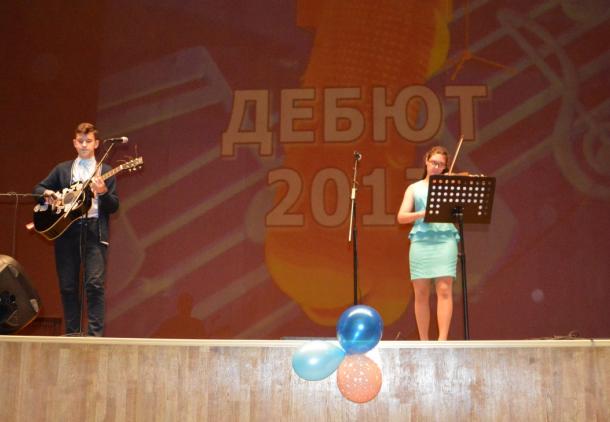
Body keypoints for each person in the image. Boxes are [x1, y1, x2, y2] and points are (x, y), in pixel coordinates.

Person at [33, 122, 119, 336]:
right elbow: (38, 188)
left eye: (88, 141)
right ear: (74, 143)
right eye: (80, 141)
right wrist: (47, 195)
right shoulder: (63, 169)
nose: (84, 145)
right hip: (66, 232)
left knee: (94, 284)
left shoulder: (105, 171)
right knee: (68, 286)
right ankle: (72, 333)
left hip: (94, 232)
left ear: (96, 144)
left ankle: (95, 336)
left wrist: (103, 192)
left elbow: (113, 206)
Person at [397, 146, 459, 340]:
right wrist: (422, 213)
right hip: (421, 241)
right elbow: (401, 217)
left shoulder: (449, 187)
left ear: (445, 168)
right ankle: (424, 341)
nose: (436, 167)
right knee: (421, 292)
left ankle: (442, 340)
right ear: (426, 161)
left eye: (441, 165)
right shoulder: (414, 188)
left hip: (445, 239)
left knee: (444, 289)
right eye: (434, 163)